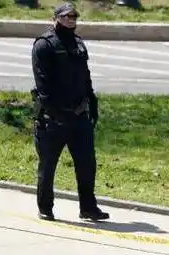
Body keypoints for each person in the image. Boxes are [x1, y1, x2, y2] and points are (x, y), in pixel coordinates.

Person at [31, 2, 109, 222]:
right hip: (53, 119)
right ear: (55, 18)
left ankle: (88, 207)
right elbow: (43, 85)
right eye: (65, 17)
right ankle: (45, 207)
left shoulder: (78, 43)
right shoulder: (44, 45)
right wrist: (55, 113)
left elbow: (85, 77)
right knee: (47, 166)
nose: (70, 20)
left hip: (79, 117)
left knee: (87, 165)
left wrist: (92, 104)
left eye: (73, 17)